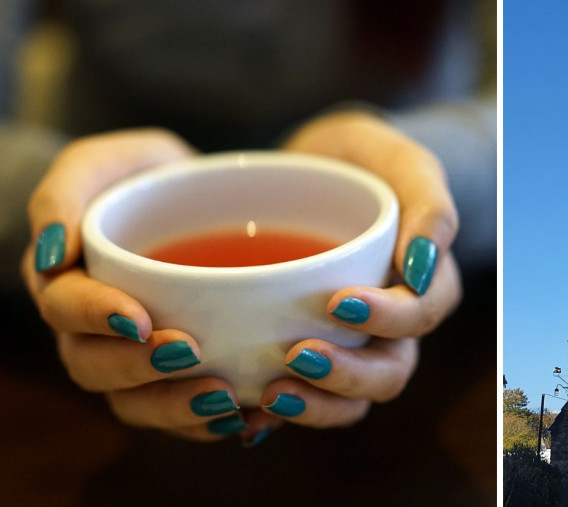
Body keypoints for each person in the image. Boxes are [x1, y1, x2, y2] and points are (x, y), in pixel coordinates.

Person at [5, 0, 496, 446]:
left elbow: (519, 96)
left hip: (389, 150)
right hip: (118, 174)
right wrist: (66, 204)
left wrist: (418, 181)